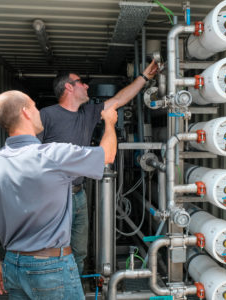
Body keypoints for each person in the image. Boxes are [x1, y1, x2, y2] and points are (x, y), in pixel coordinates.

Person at [0, 90, 117, 299]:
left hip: (12, 266)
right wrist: (110, 123)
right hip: (52, 268)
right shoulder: (53, 155)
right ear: (26, 112)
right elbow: (107, 155)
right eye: (35, 106)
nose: (39, 112)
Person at [37, 61, 159, 275]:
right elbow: (29, 156)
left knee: (79, 250)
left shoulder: (89, 113)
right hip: (52, 197)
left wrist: (144, 78)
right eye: (81, 83)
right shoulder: (46, 116)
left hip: (78, 194)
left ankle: (75, 289)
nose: (86, 87)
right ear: (68, 87)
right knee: (52, 251)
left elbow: (119, 99)